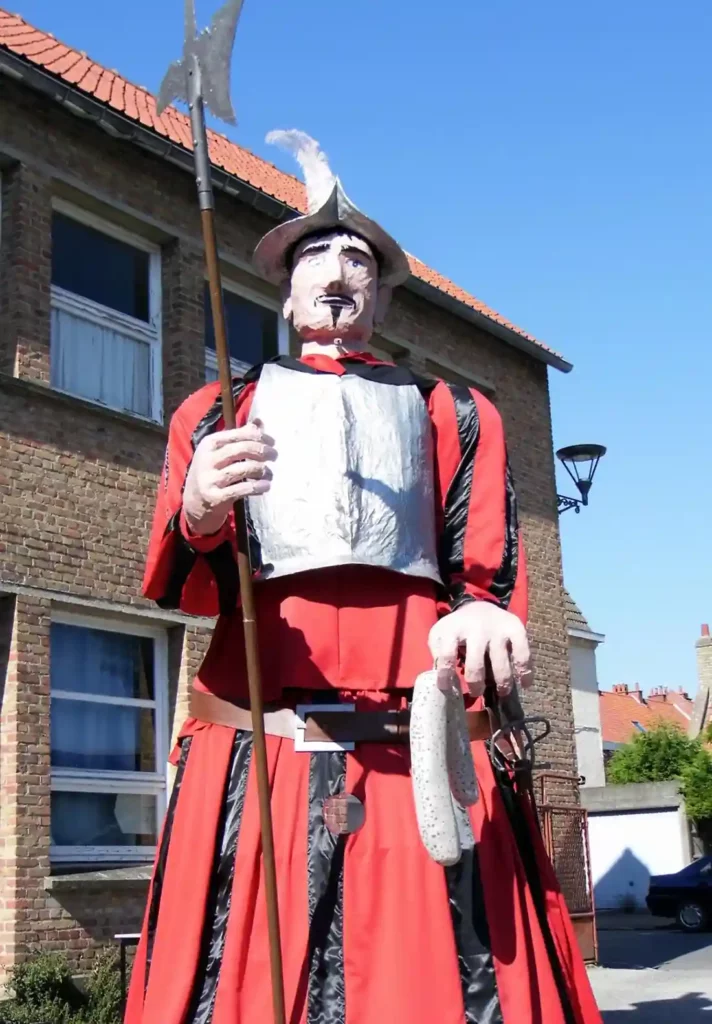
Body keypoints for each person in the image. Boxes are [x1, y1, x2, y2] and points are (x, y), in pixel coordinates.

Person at [125, 130, 601, 1024]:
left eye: (358, 259)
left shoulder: (460, 413)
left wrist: (486, 615)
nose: (339, 269)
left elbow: (484, 567)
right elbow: (182, 580)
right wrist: (197, 509)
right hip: (260, 763)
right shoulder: (217, 413)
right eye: (318, 254)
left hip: (419, 755)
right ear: (287, 284)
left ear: (381, 295)